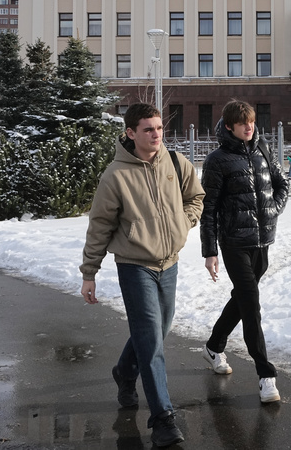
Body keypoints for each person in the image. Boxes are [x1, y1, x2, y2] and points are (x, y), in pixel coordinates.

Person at [80, 103, 204, 448]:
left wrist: (185, 221)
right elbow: (100, 225)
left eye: (159, 128)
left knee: (158, 331)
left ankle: (123, 371)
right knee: (151, 341)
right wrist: (90, 272)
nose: (156, 134)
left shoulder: (176, 163)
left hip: (170, 262)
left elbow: (196, 196)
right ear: (131, 133)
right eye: (148, 129)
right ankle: (163, 418)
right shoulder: (116, 175)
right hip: (135, 265)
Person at [199, 99, 290, 403]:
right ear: (229, 126)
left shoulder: (262, 150)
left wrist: (272, 210)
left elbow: (281, 185)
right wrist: (209, 250)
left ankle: (214, 345)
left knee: (241, 299)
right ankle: (266, 375)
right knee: (251, 304)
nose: (249, 127)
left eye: (251, 122)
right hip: (234, 243)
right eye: (242, 124)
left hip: (263, 241)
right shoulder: (217, 160)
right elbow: (208, 209)